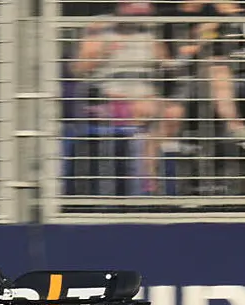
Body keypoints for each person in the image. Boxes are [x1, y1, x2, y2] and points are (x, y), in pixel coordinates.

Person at [70, 1, 185, 190]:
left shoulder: (148, 31)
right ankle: (147, 178)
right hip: (108, 97)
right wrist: (103, 52)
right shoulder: (99, 28)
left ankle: (150, 170)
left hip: (147, 97)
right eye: (134, 12)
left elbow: (165, 62)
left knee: (174, 111)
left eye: (143, 14)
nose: (138, 18)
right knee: (149, 110)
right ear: (120, 7)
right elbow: (78, 69)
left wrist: (177, 62)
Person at [159, 1, 245, 150]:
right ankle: (237, 129)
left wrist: (233, 15)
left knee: (218, 70)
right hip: (201, 71)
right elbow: (190, 47)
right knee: (216, 70)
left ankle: (239, 130)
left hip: (240, 69)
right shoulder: (208, 18)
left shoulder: (239, 18)